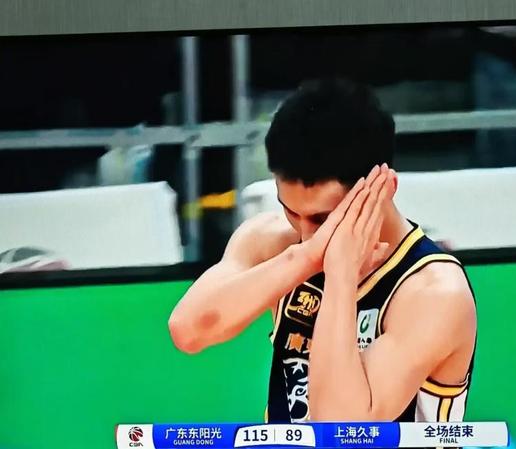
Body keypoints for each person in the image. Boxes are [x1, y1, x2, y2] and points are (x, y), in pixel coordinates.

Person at [168, 78, 477, 424]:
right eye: (290, 211)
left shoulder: (435, 291)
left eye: (322, 218)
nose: (306, 233)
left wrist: (341, 276)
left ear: (383, 189)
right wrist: (305, 259)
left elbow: (341, 430)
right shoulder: (278, 244)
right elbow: (188, 330)